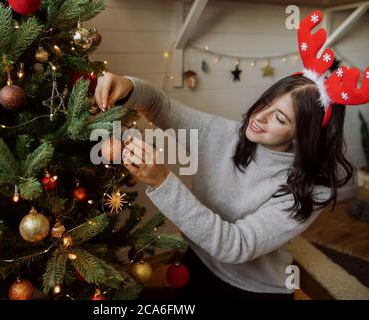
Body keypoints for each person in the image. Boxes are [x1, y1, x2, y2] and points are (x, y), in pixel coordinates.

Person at [93, 10, 367, 299]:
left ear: (302, 137)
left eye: (280, 119)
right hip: (199, 261)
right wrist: (128, 87)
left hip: (252, 288)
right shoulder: (226, 133)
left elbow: (234, 245)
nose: (260, 116)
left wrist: (162, 181)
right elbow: (163, 107)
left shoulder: (309, 189)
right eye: (267, 102)